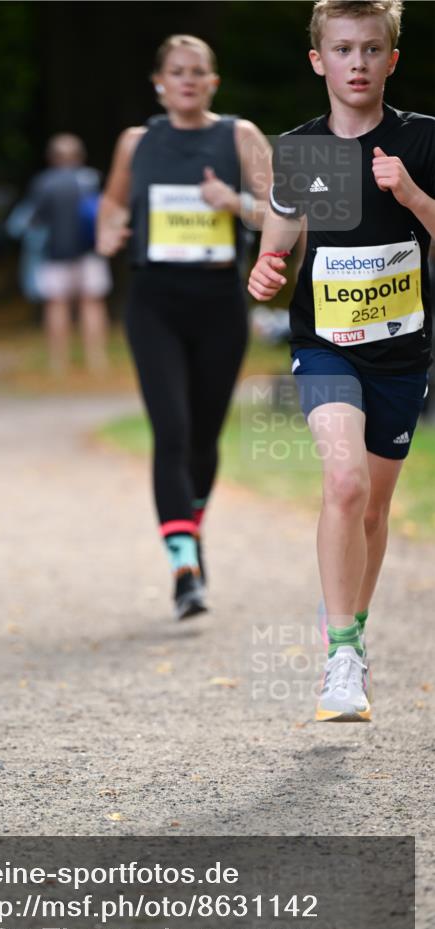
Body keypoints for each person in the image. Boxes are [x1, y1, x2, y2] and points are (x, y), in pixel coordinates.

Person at [248, 0, 434, 721]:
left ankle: (351, 637)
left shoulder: (421, 142)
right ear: (317, 61)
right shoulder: (297, 150)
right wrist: (264, 271)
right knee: (345, 483)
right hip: (324, 345)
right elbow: (277, 239)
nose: (355, 62)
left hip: (400, 354)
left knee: (374, 508)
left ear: (392, 60)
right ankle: (341, 655)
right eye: (342, 49)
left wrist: (411, 194)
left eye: (370, 49)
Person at [97, 34, 272, 620]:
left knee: (202, 437)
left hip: (220, 303)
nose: (188, 80)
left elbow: (282, 214)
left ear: (213, 82)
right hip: (155, 303)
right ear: (159, 82)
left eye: (199, 72)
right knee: (170, 430)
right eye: (177, 72)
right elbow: (114, 204)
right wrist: (108, 231)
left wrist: (232, 202)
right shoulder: (137, 141)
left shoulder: (239, 136)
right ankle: (183, 569)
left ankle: (188, 534)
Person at [28, 134, 111, 375]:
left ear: (52, 157)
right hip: (90, 253)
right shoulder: (91, 179)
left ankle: (58, 362)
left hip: (55, 254)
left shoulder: (44, 182)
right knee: (92, 303)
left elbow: (36, 220)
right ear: (79, 156)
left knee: (57, 305)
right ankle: (97, 360)